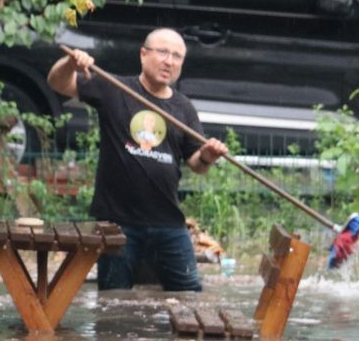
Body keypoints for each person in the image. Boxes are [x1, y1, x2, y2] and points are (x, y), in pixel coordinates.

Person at [47, 28, 228, 291]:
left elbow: (196, 164)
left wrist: (208, 155)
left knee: (190, 297)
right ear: (143, 55)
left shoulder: (183, 108)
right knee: (114, 303)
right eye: (163, 52)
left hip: (168, 223)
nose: (169, 61)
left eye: (177, 56)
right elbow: (58, 82)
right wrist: (69, 63)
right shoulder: (114, 88)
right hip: (117, 224)